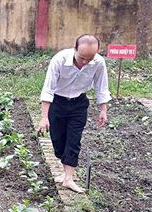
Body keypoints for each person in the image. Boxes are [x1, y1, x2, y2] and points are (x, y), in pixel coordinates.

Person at [36, 34, 111, 194]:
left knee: (74, 139)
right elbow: (48, 88)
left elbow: (101, 87)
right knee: (58, 140)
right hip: (58, 102)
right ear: (75, 49)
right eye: (82, 57)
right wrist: (44, 117)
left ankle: (69, 178)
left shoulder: (98, 63)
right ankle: (65, 172)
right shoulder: (59, 60)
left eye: (89, 59)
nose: (85, 62)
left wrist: (103, 110)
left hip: (78, 104)